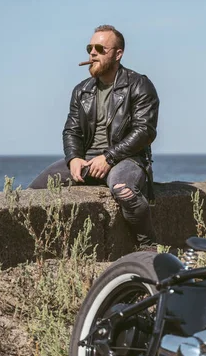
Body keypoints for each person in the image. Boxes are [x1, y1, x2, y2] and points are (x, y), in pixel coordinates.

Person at [29, 24, 160, 246]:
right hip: (88, 159)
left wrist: (109, 157)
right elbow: (72, 130)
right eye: (89, 48)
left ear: (118, 54)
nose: (92, 53)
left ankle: (147, 245)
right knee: (33, 192)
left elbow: (144, 131)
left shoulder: (139, 85)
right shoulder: (82, 90)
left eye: (100, 48)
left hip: (127, 158)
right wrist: (74, 158)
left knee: (124, 190)